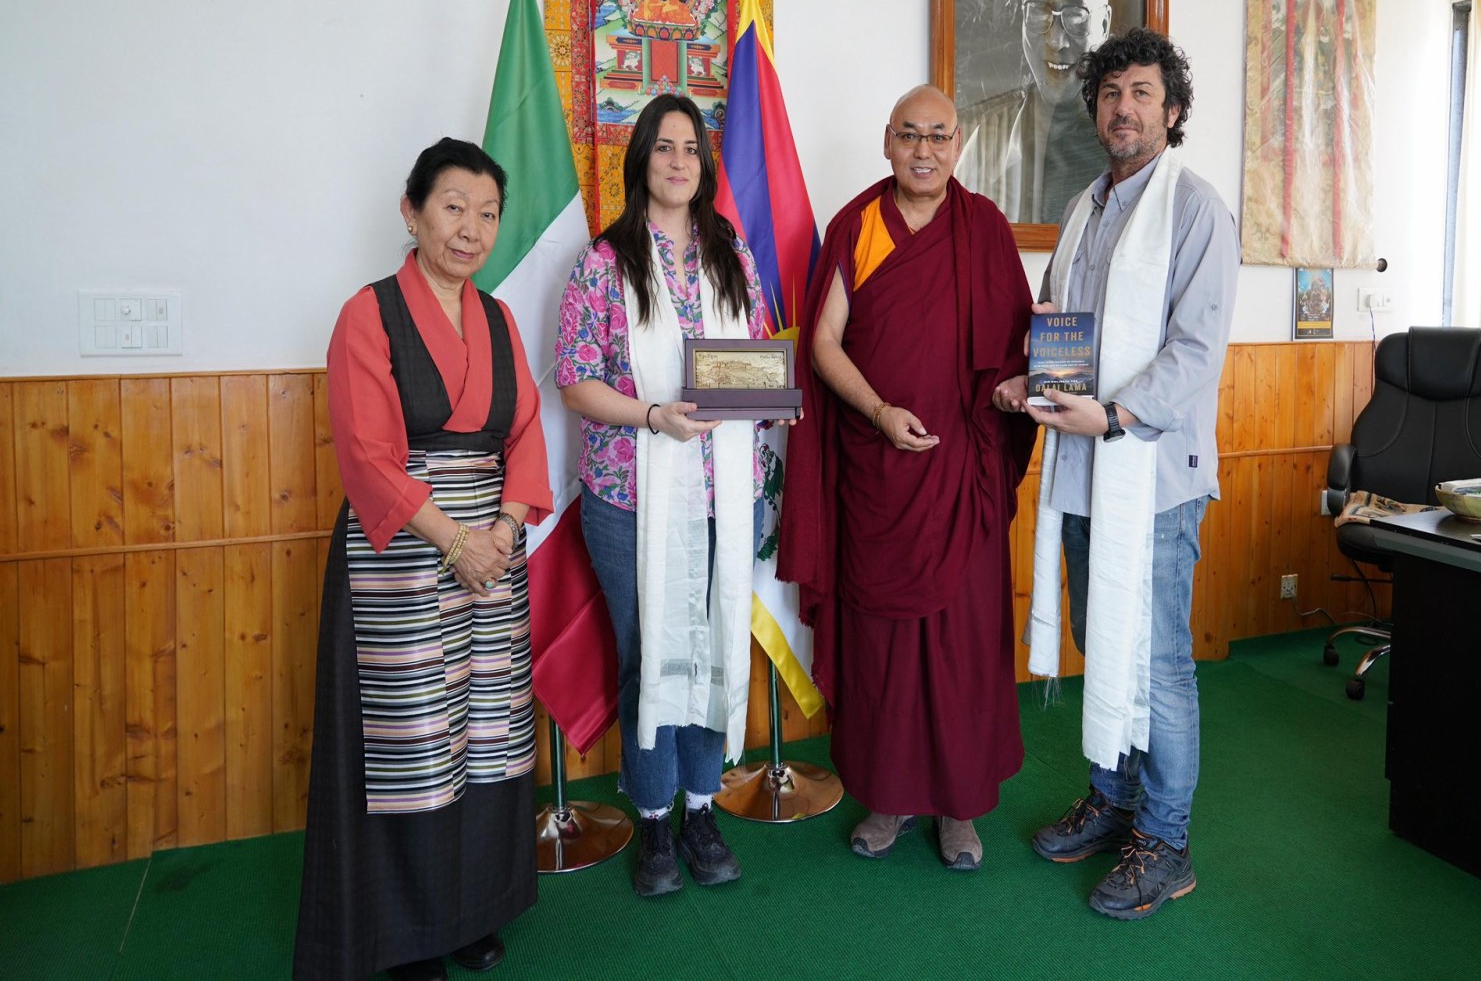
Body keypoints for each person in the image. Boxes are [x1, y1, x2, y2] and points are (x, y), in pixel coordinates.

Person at [994, 27, 1239, 920]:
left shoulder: (1196, 208)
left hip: (1152, 474)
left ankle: (1165, 842)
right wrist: (1037, 379)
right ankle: (1115, 798)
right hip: (1084, 467)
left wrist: (1118, 416)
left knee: (1161, 663)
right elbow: (1067, 328)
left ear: (1171, 111)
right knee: (1106, 638)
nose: (1123, 107)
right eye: (1110, 93)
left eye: (1141, 92)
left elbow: (1195, 351)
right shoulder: (1084, 208)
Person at [294, 138, 555, 981]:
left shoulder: (501, 318)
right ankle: (400, 935)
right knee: (412, 743)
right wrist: (456, 540)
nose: (470, 229)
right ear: (411, 213)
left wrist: (506, 532)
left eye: (486, 213)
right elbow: (368, 455)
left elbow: (524, 435)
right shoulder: (366, 314)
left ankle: (469, 912)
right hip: (403, 560)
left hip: (492, 557)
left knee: (486, 740)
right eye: (452, 207)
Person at [781, 84, 1035, 871]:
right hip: (879, 470)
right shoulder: (855, 227)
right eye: (909, 136)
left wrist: (1009, 388)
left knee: (961, 645)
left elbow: (1020, 349)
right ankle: (888, 797)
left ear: (959, 145)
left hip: (961, 473)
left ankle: (959, 809)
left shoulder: (985, 228)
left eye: (939, 137)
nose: (924, 151)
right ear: (885, 142)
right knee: (884, 649)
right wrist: (881, 412)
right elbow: (823, 344)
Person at [555, 93, 773, 897]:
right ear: (640, 160)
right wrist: (653, 416)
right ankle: (652, 819)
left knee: (713, 639)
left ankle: (702, 807)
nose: (680, 161)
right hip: (630, 495)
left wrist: (758, 389)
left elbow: (753, 362)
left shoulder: (732, 256)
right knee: (649, 650)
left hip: (725, 491)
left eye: (692, 148)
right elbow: (576, 383)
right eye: (664, 148)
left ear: (704, 164)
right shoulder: (603, 263)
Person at [958, 0, 1114, 225]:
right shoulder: (983, 153)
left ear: (1104, 24)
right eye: (1039, 12)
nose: (1055, 42)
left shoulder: (1129, 153)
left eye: (1076, 14)